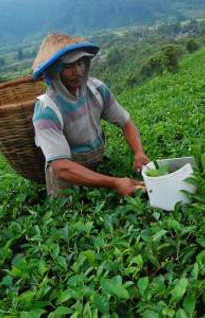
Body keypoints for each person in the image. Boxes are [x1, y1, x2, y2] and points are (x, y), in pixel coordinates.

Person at [31, 33, 148, 197]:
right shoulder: (46, 110)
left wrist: (138, 152)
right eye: (68, 66)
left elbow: (125, 122)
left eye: (80, 63)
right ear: (54, 71)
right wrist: (114, 182)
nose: (77, 71)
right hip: (68, 178)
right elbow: (61, 167)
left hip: (97, 164)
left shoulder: (97, 90)